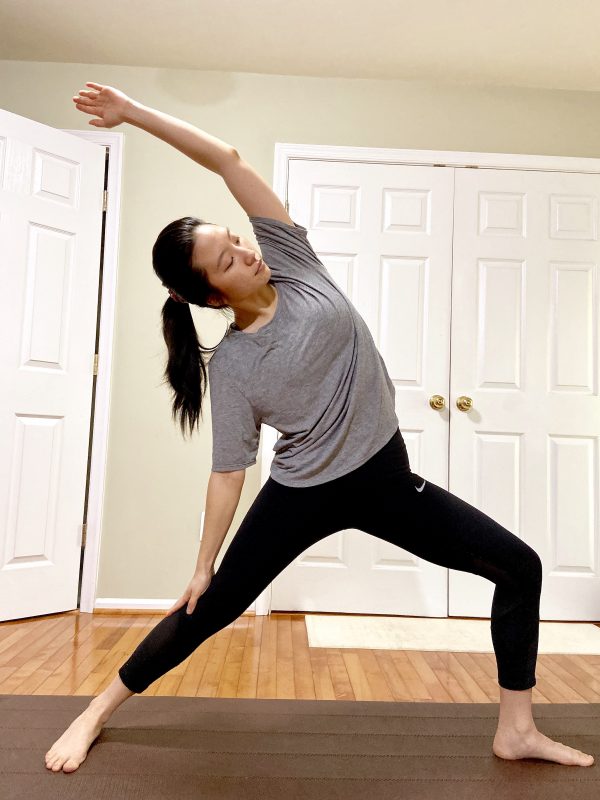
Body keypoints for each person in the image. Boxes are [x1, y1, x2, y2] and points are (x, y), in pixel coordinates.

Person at [45, 82, 594, 774]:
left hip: (385, 479)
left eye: (237, 241)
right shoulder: (237, 364)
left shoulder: (296, 264)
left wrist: (133, 114)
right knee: (205, 611)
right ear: (212, 296)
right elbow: (228, 470)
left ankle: (516, 729)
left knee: (520, 567)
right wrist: (201, 564)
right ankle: (94, 713)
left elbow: (228, 159)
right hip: (302, 494)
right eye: (228, 261)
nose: (247, 253)